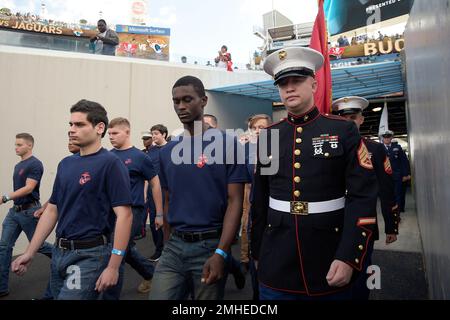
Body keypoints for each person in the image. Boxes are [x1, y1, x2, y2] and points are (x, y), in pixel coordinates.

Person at [251, 47, 378, 300]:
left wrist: (348, 255)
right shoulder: (269, 137)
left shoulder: (342, 130)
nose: (289, 88)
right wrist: (257, 252)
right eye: (282, 83)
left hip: (329, 257)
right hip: (277, 260)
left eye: (296, 81)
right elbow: (260, 200)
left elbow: (362, 198)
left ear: (314, 84)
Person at [11, 99, 133, 300]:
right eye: (71, 124)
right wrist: (30, 252)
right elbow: (52, 210)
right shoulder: (65, 164)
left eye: (79, 124)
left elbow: (125, 216)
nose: (72, 129)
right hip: (60, 253)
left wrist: (113, 266)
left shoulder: (111, 164)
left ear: (99, 128)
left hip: (90, 255)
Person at [148, 76, 250, 300]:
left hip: (210, 245)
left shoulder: (227, 144)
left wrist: (221, 252)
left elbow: (235, 201)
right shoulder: (167, 152)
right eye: (176, 101)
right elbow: (167, 199)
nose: (181, 106)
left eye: (187, 99)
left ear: (203, 101)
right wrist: (166, 245)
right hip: (174, 247)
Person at [332, 96, 400, 300]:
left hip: (363, 224)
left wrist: (391, 225)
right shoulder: (327, 147)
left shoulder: (375, 149)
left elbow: (387, 189)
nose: (350, 123)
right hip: (331, 223)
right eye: (345, 119)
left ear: (361, 120)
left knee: (360, 277)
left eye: (353, 117)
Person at [107, 117, 164, 297]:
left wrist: (159, 214)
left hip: (134, 211)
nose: (111, 137)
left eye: (115, 133)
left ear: (127, 132)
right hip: (111, 212)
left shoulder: (140, 157)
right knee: (124, 248)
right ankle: (151, 274)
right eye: (109, 134)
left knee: (118, 251)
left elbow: (155, 185)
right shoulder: (108, 156)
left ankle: (110, 294)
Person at [0, 133, 53, 298]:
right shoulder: (19, 165)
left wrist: (5, 197)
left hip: (29, 211)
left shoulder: (35, 164)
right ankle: (1, 287)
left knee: (40, 246)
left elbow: (29, 188)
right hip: (15, 212)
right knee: (4, 247)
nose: (16, 147)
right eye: (15, 144)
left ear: (29, 145)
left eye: (19, 145)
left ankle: (66, 257)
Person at [244, 114, 272, 300]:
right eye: (255, 128)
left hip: (274, 205)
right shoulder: (246, 148)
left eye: (262, 127)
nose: (258, 131)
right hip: (253, 201)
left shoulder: (277, 147)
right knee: (254, 241)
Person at [145, 124, 169, 262]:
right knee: (155, 220)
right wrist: (144, 192)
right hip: (153, 191)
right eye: (152, 134)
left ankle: (168, 250)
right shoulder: (151, 151)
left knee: (167, 220)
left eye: (156, 134)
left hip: (167, 190)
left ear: (164, 134)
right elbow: (147, 173)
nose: (153, 136)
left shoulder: (171, 149)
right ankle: (158, 249)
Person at [381, 130, 411, 213]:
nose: (387, 138)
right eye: (385, 137)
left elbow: (404, 161)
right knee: (387, 195)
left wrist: (406, 174)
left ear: (391, 137)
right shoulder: (379, 148)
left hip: (397, 176)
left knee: (398, 194)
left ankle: (397, 211)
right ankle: (389, 210)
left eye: (388, 137)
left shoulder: (397, 147)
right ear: (382, 138)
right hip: (385, 177)